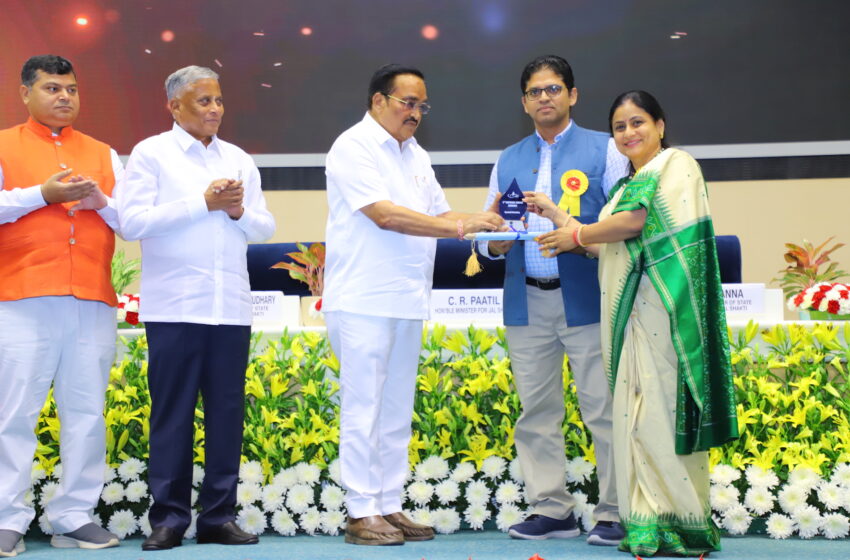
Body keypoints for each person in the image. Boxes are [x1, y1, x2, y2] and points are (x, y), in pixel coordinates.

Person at [529, 90, 739, 557]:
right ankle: (645, 521)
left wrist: (578, 232)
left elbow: (635, 224)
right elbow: (613, 247)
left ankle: (680, 522)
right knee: (636, 419)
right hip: (631, 319)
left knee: (660, 415)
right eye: (620, 127)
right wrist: (562, 220)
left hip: (663, 315)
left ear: (660, 125)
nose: (629, 133)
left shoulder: (674, 165)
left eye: (638, 122)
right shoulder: (626, 185)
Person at [323, 63, 503, 546]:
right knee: (364, 406)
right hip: (362, 297)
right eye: (408, 102)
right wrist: (460, 227)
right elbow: (385, 215)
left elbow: (441, 214)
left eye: (423, 105)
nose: (417, 113)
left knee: (396, 408)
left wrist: (490, 224)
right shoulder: (352, 146)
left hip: (407, 297)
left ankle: (388, 503)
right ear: (378, 101)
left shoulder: (416, 154)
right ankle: (361, 512)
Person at [115, 66, 275, 551]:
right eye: (202, 101)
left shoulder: (240, 158)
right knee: (173, 414)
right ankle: (168, 518)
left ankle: (218, 517)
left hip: (230, 308)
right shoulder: (150, 154)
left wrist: (236, 211)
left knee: (227, 414)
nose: (213, 110)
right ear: (174, 106)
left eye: (219, 101)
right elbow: (132, 221)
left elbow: (265, 227)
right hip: (175, 307)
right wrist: (200, 203)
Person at [478, 55, 628, 545]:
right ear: (524, 102)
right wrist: (494, 242)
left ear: (572, 94)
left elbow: (623, 224)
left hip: (586, 296)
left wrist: (574, 231)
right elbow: (488, 232)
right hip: (527, 300)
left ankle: (615, 511)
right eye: (535, 91)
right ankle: (552, 510)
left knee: (602, 408)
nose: (545, 98)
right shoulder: (508, 158)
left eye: (554, 89)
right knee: (536, 411)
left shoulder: (606, 149)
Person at [0, 54, 124, 556]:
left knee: (86, 411)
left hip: (91, 295)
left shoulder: (104, 153)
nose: (65, 97)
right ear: (25, 93)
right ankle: (7, 516)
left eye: (71, 88)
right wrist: (41, 195)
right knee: (15, 412)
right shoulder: (5, 145)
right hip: (22, 295)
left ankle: (73, 515)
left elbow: (132, 219)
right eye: (52, 88)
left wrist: (103, 204)